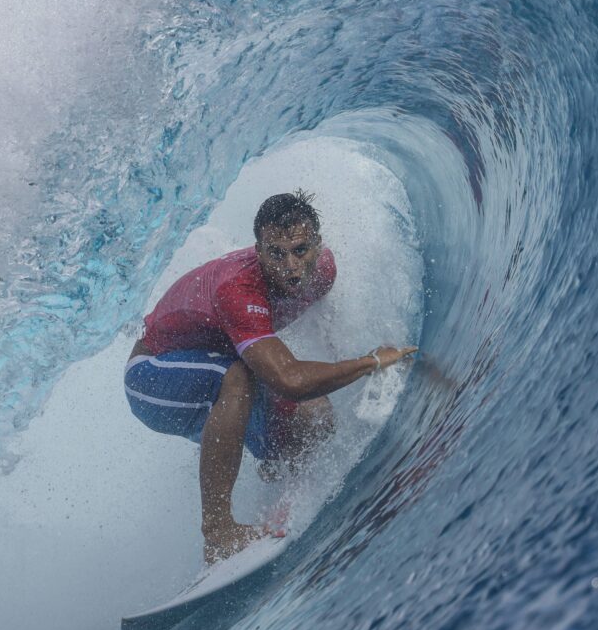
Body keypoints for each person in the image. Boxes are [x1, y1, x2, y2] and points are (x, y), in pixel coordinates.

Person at [124, 191, 417, 563]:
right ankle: (218, 531)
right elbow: (289, 379)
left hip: (213, 379)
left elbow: (322, 340)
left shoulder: (322, 271)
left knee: (316, 419)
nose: (291, 265)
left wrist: (364, 360)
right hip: (152, 379)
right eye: (276, 254)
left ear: (317, 244)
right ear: (259, 252)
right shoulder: (238, 288)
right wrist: (370, 362)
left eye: (300, 250)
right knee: (237, 378)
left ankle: (277, 475)